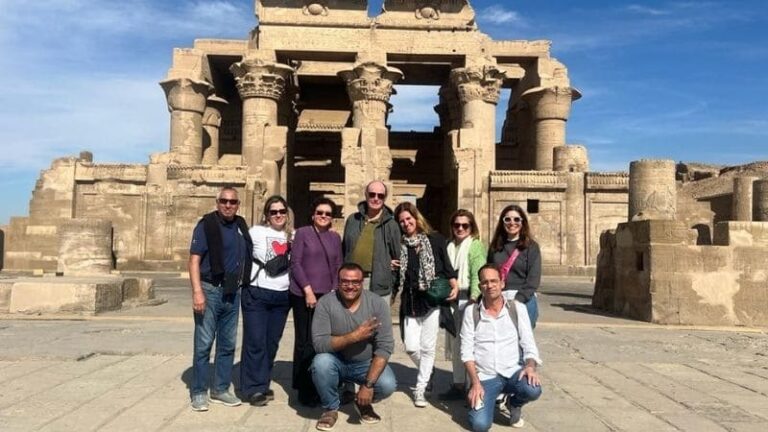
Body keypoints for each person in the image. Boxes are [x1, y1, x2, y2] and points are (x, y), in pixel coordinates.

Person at [311, 263, 397, 431]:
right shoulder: (325, 303)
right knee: (320, 363)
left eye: (356, 282)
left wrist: (368, 385)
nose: (350, 286)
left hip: (365, 362)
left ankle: (363, 402)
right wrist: (354, 336)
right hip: (336, 360)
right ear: (338, 282)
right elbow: (319, 344)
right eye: (345, 281)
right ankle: (330, 408)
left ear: (363, 282)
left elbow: (385, 347)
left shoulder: (377, 304)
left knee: (388, 385)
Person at [188, 186, 252, 411]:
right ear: (217, 202)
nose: (228, 205)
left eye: (232, 202)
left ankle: (221, 389)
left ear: (238, 204)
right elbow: (194, 260)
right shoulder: (206, 225)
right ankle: (198, 391)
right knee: (204, 343)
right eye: (224, 201)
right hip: (210, 289)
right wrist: (197, 292)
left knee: (227, 344)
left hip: (233, 291)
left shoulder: (241, 225)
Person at [462, 264, 542, 431]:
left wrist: (530, 366)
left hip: (512, 372)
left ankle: (514, 402)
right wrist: (475, 383)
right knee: (480, 425)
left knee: (532, 389)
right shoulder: (471, 312)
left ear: (502, 283)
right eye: (485, 282)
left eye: (494, 281)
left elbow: (528, 343)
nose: (490, 286)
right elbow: (466, 352)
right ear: (479, 286)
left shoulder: (516, 308)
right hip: (485, 377)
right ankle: (484, 402)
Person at [393, 202, 458, 408]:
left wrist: (454, 285)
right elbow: (400, 274)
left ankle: (420, 389)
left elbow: (448, 267)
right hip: (411, 301)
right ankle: (428, 371)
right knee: (411, 347)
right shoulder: (401, 245)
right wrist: (391, 265)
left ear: (416, 217)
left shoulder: (436, 240)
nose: (406, 223)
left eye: (408, 218)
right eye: (402, 221)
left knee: (428, 348)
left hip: (431, 300)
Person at [289, 197, 343, 407]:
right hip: (304, 294)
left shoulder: (334, 237)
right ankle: (303, 389)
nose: (323, 216)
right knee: (305, 342)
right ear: (313, 215)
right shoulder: (303, 233)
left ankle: (321, 384)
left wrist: (335, 292)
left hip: (327, 295)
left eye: (328, 213)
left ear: (332, 218)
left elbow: (338, 264)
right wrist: (308, 290)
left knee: (323, 342)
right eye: (320, 212)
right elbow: (296, 264)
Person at [241, 195, 292, 406]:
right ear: (267, 215)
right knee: (255, 341)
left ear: (287, 214)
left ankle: (262, 382)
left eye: (282, 211)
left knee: (271, 342)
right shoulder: (256, 232)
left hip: (282, 295)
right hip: (257, 292)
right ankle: (253, 388)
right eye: (274, 212)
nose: (278, 215)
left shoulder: (293, 236)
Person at [439, 209, 487, 401]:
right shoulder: (448, 245)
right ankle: (459, 383)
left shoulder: (475, 246)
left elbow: (478, 272)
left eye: (464, 225)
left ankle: (471, 384)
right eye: (456, 225)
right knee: (456, 341)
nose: (460, 228)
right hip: (451, 299)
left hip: (468, 299)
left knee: (468, 343)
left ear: (471, 227)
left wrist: (475, 297)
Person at [342, 180, 401, 304]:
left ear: (385, 198)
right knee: (351, 322)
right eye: (372, 194)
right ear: (366, 195)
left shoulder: (392, 225)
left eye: (380, 195)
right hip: (351, 281)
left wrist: (392, 284)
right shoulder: (352, 220)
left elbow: (398, 258)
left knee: (376, 322)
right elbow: (344, 250)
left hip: (379, 283)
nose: (376, 198)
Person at [488, 205, 542, 328]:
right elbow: (489, 273)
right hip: (499, 299)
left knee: (523, 344)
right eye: (507, 219)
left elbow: (533, 278)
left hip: (523, 300)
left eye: (516, 219)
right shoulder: (495, 247)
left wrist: (518, 300)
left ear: (523, 222)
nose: (512, 223)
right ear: (502, 222)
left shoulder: (531, 247)